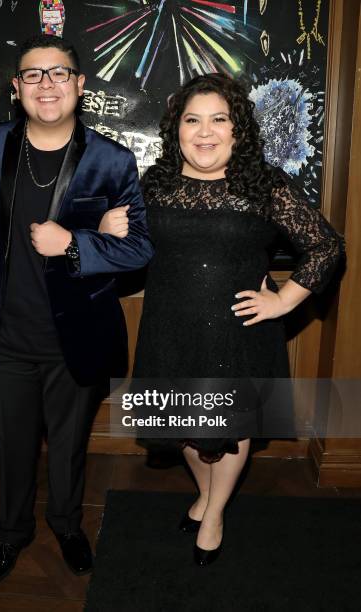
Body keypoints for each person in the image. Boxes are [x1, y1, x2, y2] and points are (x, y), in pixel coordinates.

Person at [0, 34, 153, 586]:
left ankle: (66, 526)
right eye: (33, 75)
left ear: (80, 85)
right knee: (12, 450)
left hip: (76, 337)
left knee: (67, 448)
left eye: (59, 73)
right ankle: (11, 537)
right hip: (0, 335)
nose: (47, 85)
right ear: (16, 88)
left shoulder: (112, 160)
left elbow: (138, 249)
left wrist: (76, 244)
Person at [126, 74, 344, 566]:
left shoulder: (264, 184)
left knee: (229, 427)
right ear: (175, 129)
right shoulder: (153, 184)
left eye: (219, 120)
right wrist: (104, 227)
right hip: (170, 328)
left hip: (238, 330)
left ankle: (215, 513)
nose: (205, 132)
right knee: (182, 424)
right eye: (192, 120)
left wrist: (285, 300)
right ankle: (204, 495)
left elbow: (326, 246)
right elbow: (123, 247)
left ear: (238, 130)